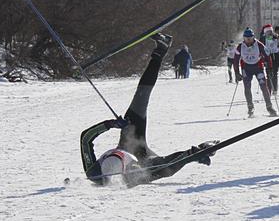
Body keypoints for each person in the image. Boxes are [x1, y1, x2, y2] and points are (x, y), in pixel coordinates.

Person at [81, 34, 217, 187]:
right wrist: (190, 155)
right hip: (143, 160)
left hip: (130, 139)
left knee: (142, 94)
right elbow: (164, 167)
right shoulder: (125, 175)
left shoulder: (94, 171)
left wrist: (110, 124)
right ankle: (197, 151)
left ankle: (160, 50)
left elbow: (86, 138)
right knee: (163, 169)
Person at [233, 27, 276, 117]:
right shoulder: (240, 47)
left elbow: (267, 56)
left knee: (264, 86)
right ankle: (250, 108)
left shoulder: (259, 45)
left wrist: (270, 68)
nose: (248, 40)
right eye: (246, 38)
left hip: (258, 68)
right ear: (244, 38)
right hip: (246, 69)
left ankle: (269, 107)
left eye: (250, 38)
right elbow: (236, 60)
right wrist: (236, 72)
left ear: (253, 37)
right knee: (247, 87)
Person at [259, 24, 279, 95]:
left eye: (271, 32)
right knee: (269, 74)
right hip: (267, 57)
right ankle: (269, 90)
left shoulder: (276, 37)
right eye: (268, 32)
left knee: (275, 73)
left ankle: (275, 89)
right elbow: (259, 47)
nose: (269, 33)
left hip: (275, 57)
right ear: (265, 32)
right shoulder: (263, 38)